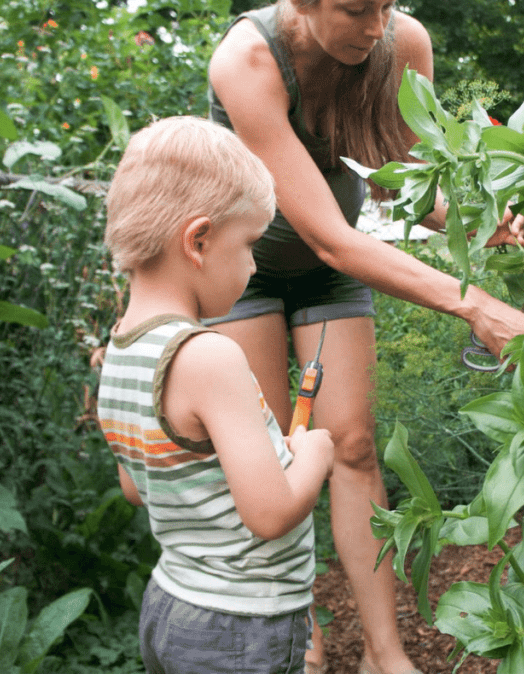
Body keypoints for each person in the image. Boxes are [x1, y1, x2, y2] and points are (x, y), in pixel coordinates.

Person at [205, 0, 524, 673]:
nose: (377, 25)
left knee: (351, 444)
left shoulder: (400, 43)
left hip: (328, 269)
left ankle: (386, 654)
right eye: (357, 9)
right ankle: (303, 639)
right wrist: (470, 300)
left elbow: (407, 184)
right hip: (240, 267)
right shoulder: (247, 62)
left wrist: (479, 221)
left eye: (387, 5)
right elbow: (326, 230)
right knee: (274, 456)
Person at [97, 116, 336, 674]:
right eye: (250, 244)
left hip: (171, 605)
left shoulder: (120, 350)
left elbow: (136, 486)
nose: (253, 266)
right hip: (243, 622)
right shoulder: (208, 356)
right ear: (198, 240)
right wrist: (315, 454)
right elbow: (271, 513)